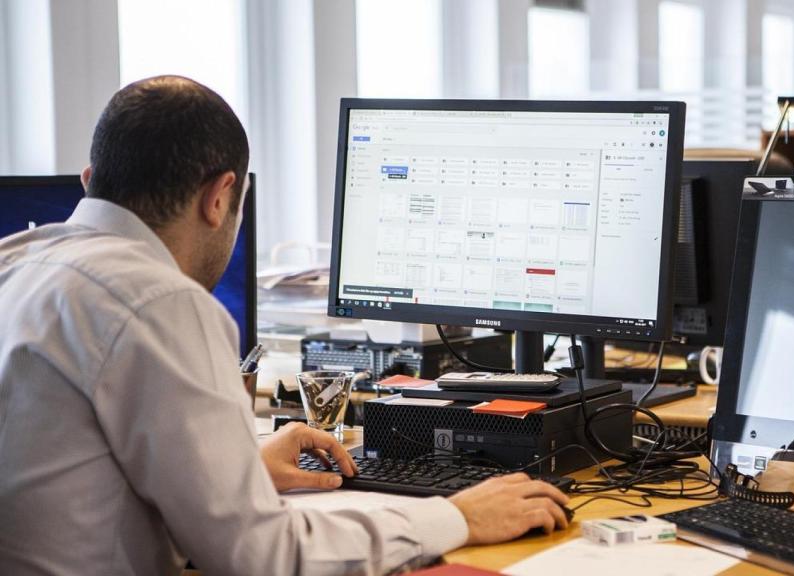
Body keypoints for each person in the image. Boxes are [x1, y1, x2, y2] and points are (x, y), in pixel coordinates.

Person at [0, 76, 569, 575]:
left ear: (89, 179)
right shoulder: (159, 300)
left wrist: (238, 471)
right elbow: (264, 556)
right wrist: (453, 516)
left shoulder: (15, 262)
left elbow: (73, 473)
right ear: (221, 197)